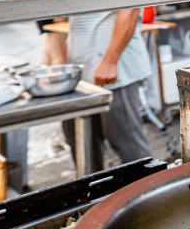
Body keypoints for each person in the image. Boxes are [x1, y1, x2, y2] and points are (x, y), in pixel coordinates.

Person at [62, 9, 152, 170]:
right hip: (82, 68)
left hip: (115, 69)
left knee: (129, 147)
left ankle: (147, 192)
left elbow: (130, 9)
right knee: (84, 147)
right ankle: (94, 194)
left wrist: (110, 61)